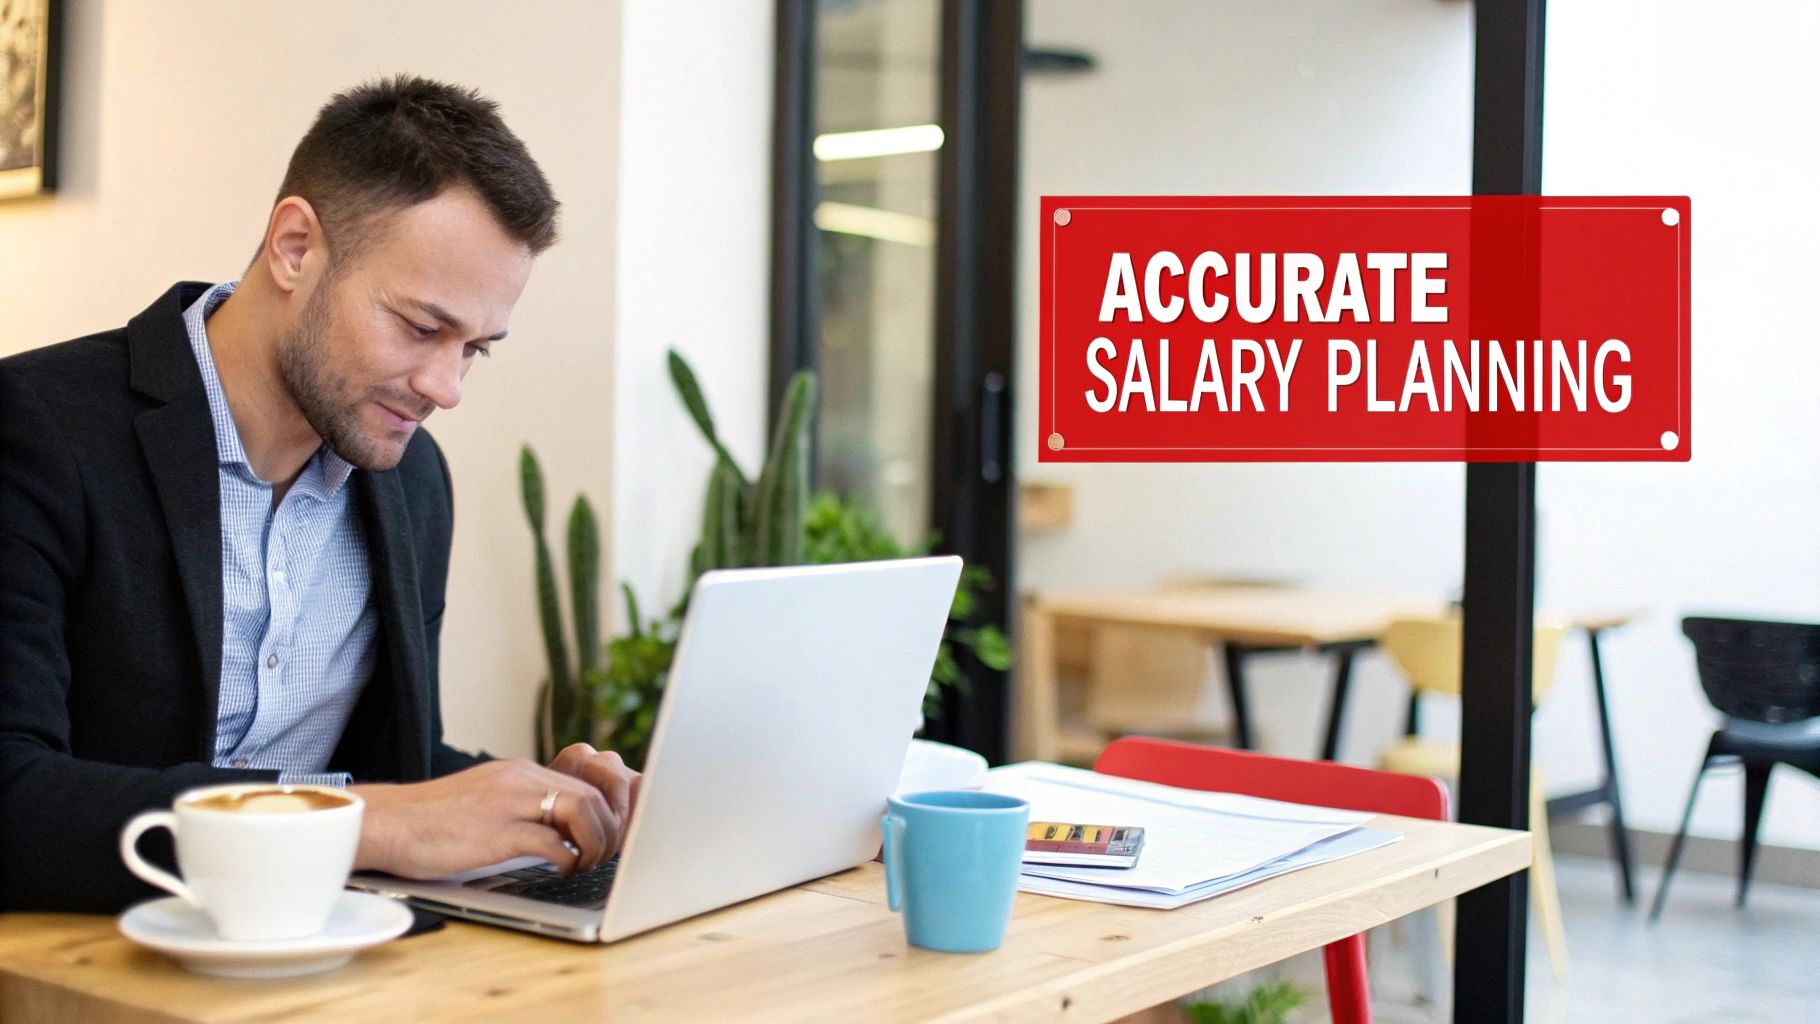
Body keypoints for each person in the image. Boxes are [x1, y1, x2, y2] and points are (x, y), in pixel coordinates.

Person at [0, 75, 636, 913]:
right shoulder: (33, 428)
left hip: (329, 948)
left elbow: (388, 772)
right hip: (97, 951)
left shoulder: (412, 481)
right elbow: (13, 796)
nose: (446, 388)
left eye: (475, 348)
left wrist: (547, 804)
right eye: (421, 327)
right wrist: (365, 822)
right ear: (295, 247)